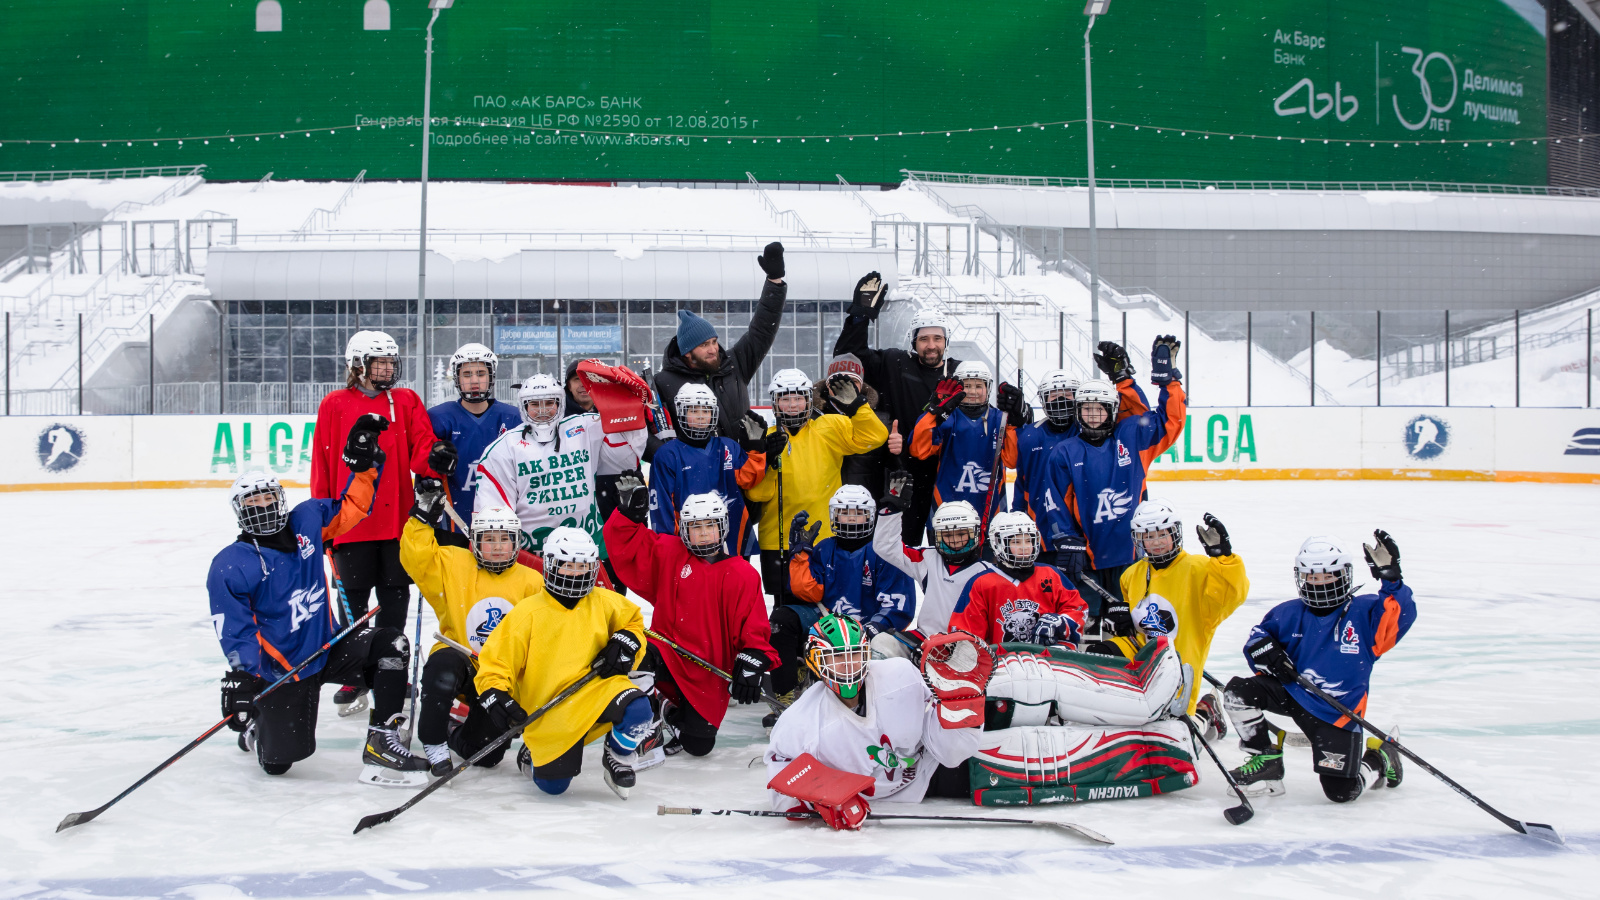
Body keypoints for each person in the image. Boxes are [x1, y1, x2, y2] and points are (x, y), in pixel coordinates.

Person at [210, 414, 430, 786]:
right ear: (240, 512)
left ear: (281, 499)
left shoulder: (307, 520)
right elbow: (235, 630)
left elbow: (352, 508)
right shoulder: (230, 565)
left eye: (268, 497)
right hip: (283, 670)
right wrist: (243, 676)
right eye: (253, 502)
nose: (263, 507)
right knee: (281, 762)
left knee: (391, 642)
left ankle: (382, 741)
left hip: (328, 647)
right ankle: (256, 730)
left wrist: (364, 468)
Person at [1225, 531, 1414, 803]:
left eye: (1328, 576)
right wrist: (1266, 651)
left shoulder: (1366, 613)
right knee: (1238, 693)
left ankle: (1380, 757)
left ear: (1344, 575)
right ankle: (1266, 761)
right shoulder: (1288, 612)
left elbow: (1400, 616)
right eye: (1312, 577)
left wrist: (1391, 578)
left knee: (1341, 792)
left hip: (1336, 711)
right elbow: (1256, 640)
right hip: (1292, 693)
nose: (1320, 584)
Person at [312, 330, 441, 714]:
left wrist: (435, 457)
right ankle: (354, 675)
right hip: (350, 524)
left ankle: (391, 670)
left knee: (394, 602)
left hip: (396, 525)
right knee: (351, 604)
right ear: (358, 365)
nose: (386, 369)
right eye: (378, 362)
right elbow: (321, 462)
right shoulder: (334, 403)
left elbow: (421, 445)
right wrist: (323, 521)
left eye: (389, 362)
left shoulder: (405, 400)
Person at [472, 527, 654, 799]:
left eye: (583, 566)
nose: (576, 573)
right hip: (551, 707)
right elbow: (496, 663)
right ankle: (531, 755)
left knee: (640, 710)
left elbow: (634, 623)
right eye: (568, 565)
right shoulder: (527, 613)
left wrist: (627, 640)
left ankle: (618, 753)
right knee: (554, 788)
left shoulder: (606, 602)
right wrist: (495, 693)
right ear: (551, 565)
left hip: (599, 690)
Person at [605, 480, 777, 757]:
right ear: (684, 530)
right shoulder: (670, 552)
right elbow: (629, 547)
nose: (704, 533)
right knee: (639, 654)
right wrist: (628, 516)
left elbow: (754, 627)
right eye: (696, 527)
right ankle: (648, 722)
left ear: (722, 527)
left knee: (698, 746)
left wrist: (753, 658)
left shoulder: (743, 573)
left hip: (708, 670)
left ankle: (666, 708)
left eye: (710, 525)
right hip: (666, 651)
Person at [764, 618, 994, 823]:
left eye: (855, 653)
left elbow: (948, 749)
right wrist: (819, 801)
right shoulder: (800, 722)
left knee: (1001, 760)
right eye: (836, 657)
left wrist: (955, 704)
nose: (848, 664)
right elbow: (780, 769)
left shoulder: (900, 675)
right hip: (860, 798)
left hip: (927, 771)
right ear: (815, 661)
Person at [1035, 338, 1187, 633]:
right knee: (1086, 626)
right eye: (1086, 409)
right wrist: (1066, 538)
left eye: (1100, 409)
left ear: (1113, 410)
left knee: (1130, 626)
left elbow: (1170, 419)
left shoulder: (1131, 437)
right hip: (1087, 557)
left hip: (1129, 557)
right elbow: (1055, 503)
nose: (1093, 416)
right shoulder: (1065, 451)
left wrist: (1168, 382)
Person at [399, 480, 545, 777]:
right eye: (488, 539)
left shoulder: (533, 582)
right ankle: (434, 741)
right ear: (474, 541)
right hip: (461, 658)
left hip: (502, 678)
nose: (496, 547)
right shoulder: (454, 563)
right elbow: (416, 557)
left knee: (486, 756)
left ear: (516, 542)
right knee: (442, 667)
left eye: (504, 539)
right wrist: (422, 518)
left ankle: (455, 733)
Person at [1084, 500, 1249, 739]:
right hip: (1141, 652)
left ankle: (1206, 713)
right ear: (1138, 539)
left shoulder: (1200, 568)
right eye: (1148, 536)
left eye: (1163, 534)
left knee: (1173, 734)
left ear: (1175, 534)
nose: (1157, 542)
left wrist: (1224, 557)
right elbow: (1136, 624)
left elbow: (1231, 596)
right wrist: (1122, 619)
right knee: (1098, 657)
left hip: (1180, 660)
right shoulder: (1132, 574)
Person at [746, 368, 888, 611]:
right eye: (785, 398)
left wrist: (857, 406)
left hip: (824, 537)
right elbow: (757, 494)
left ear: (809, 400)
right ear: (775, 403)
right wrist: (766, 459)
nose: (792, 405)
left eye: (798, 397)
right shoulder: (767, 437)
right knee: (787, 612)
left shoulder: (829, 426)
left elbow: (875, 436)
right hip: (778, 542)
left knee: (829, 607)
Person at [834, 278, 962, 545]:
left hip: (948, 475)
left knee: (953, 549)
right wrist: (860, 316)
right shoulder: (895, 362)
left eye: (937, 338)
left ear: (946, 341)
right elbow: (848, 354)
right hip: (902, 474)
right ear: (913, 341)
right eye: (924, 338)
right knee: (901, 550)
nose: (931, 345)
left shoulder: (959, 373)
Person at [474, 373, 649, 560]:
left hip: (588, 552)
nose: (542, 410)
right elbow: (493, 514)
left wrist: (625, 403)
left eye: (549, 403)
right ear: (523, 407)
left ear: (560, 403)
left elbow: (626, 458)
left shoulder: (585, 427)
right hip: (532, 558)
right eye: (534, 404)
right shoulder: (504, 449)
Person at [653, 242, 788, 439]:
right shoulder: (664, 382)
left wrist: (774, 282)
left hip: (741, 465)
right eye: (704, 345)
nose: (713, 349)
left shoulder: (734, 366)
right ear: (687, 352)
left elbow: (762, 330)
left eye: (714, 341)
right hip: (696, 468)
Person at [782, 485, 916, 679]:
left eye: (859, 512)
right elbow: (808, 591)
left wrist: (877, 625)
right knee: (782, 620)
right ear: (834, 516)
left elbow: (898, 604)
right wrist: (800, 555)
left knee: (880, 649)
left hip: (870, 629)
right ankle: (786, 692)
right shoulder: (824, 548)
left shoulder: (885, 551)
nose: (851, 518)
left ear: (870, 516)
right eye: (844, 512)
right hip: (829, 622)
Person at [646, 384, 768, 558]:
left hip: (731, 539)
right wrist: (670, 547)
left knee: (734, 584)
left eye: (706, 410)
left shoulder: (727, 446)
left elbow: (748, 478)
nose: (701, 416)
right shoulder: (667, 455)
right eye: (693, 411)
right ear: (681, 412)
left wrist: (755, 448)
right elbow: (662, 508)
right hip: (691, 542)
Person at [873, 475, 995, 647]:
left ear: (974, 534)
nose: (954, 541)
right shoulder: (927, 559)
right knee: (882, 645)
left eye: (961, 534)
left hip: (969, 646)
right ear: (937, 536)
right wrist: (892, 510)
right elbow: (886, 547)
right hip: (925, 638)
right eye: (947, 535)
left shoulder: (988, 573)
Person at [910, 360, 1029, 528]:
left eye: (979, 386)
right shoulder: (946, 417)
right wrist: (932, 413)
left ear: (988, 388)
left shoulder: (1000, 419)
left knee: (988, 555)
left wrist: (1016, 423)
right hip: (947, 510)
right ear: (957, 388)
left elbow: (1012, 460)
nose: (973, 391)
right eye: (967, 385)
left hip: (990, 513)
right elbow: (919, 450)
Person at [427, 343, 523, 543]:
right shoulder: (439, 418)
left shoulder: (513, 417)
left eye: (480, 373)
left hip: (502, 524)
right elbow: (424, 466)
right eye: (467, 374)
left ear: (491, 377)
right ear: (457, 378)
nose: (474, 381)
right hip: (454, 520)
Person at [948, 512, 1087, 647]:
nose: (1024, 547)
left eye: (1029, 540)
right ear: (998, 544)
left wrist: (1060, 623)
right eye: (1016, 542)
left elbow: (1078, 609)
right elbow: (966, 632)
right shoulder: (982, 583)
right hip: (1004, 665)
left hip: (1049, 662)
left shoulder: (1050, 574)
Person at [829, 354, 895, 501]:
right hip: (825, 502)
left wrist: (899, 449)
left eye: (853, 382)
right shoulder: (813, 418)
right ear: (828, 385)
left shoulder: (881, 420)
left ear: (861, 385)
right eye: (839, 382)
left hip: (865, 502)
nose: (847, 388)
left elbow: (893, 466)